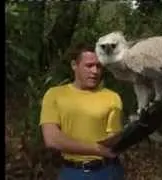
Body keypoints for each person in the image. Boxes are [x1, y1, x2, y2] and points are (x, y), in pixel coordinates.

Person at [39, 43, 125, 180]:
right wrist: (98, 149)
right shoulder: (55, 95)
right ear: (74, 65)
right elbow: (52, 139)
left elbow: (114, 139)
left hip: (109, 171)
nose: (95, 71)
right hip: (73, 171)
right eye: (89, 66)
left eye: (99, 66)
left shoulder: (112, 97)